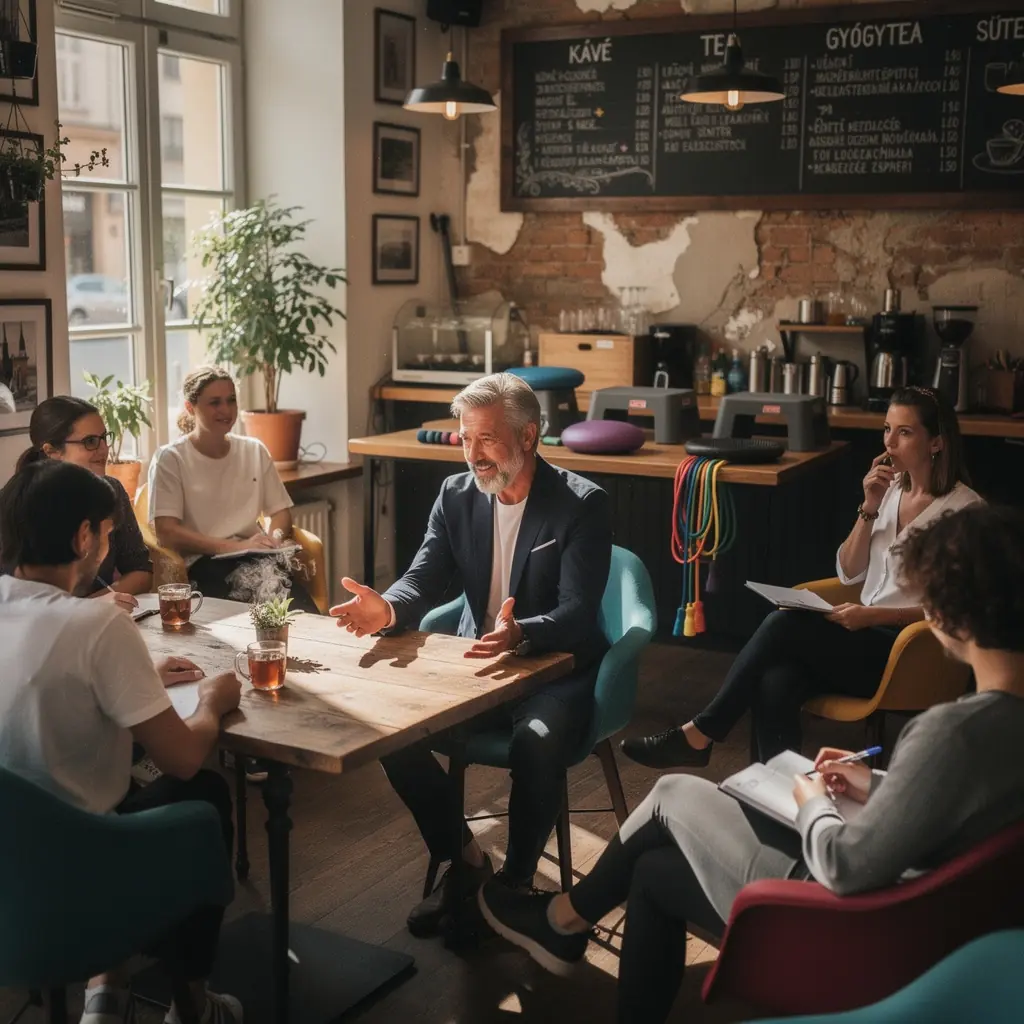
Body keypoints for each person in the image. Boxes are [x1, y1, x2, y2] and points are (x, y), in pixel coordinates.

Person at [479, 502, 1024, 1024]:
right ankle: (564, 924)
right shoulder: (998, 724)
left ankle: (563, 920)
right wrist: (877, 784)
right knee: (652, 872)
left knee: (670, 792)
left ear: (950, 615)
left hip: (856, 921)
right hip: (926, 914)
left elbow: (846, 866)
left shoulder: (953, 732)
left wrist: (813, 802)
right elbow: (960, 803)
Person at [331, 372, 612, 937]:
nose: (472, 453)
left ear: (528, 436)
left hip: (552, 667)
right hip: (476, 666)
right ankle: (466, 862)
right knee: (387, 732)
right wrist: (385, 609)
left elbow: (579, 613)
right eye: (465, 438)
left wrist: (521, 632)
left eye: (486, 439)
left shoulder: (582, 505)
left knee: (535, 744)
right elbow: (423, 578)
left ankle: (513, 888)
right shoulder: (455, 497)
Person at [622, 385, 981, 768]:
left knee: (782, 626)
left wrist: (874, 616)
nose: (890, 442)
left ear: (937, 443)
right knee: (776, 681)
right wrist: (869, 508)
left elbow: (959, 612)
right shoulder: (889, 490)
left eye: (904, 432)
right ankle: (773, 796)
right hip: (863, 637)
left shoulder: (965, 511)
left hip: (912, 651)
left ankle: (701, 733)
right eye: (886, 429)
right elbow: (849, 570)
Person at [0, 460, 244, 1024]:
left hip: (11, 863)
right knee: (204, 796)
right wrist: (213, 699)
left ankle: (107, 992)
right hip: (80, 863)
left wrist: (137, 676)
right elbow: (182, 759)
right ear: (83, 535)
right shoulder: (96, 625)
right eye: (107, 533)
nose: (108, 548)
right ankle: (191, 1007)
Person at [148, 366, 318, 614]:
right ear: (190, 407)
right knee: (261, 614)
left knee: (299, 612)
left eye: (231, 400)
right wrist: (234, 547)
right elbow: (167, 532)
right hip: (205, 565)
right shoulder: (171, 458)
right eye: (214, 403)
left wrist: (273, 539)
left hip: (258, 559)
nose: (226, 410)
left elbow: (281, 513)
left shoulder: (254, 450)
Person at [1, 396, 152, 609]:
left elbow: (140, 571)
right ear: (51, 451)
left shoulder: (112, 491)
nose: (103, 450)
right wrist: (84, 609)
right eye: (90, 442)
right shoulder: (13, 503)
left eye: (103, 438)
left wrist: (93, 605)